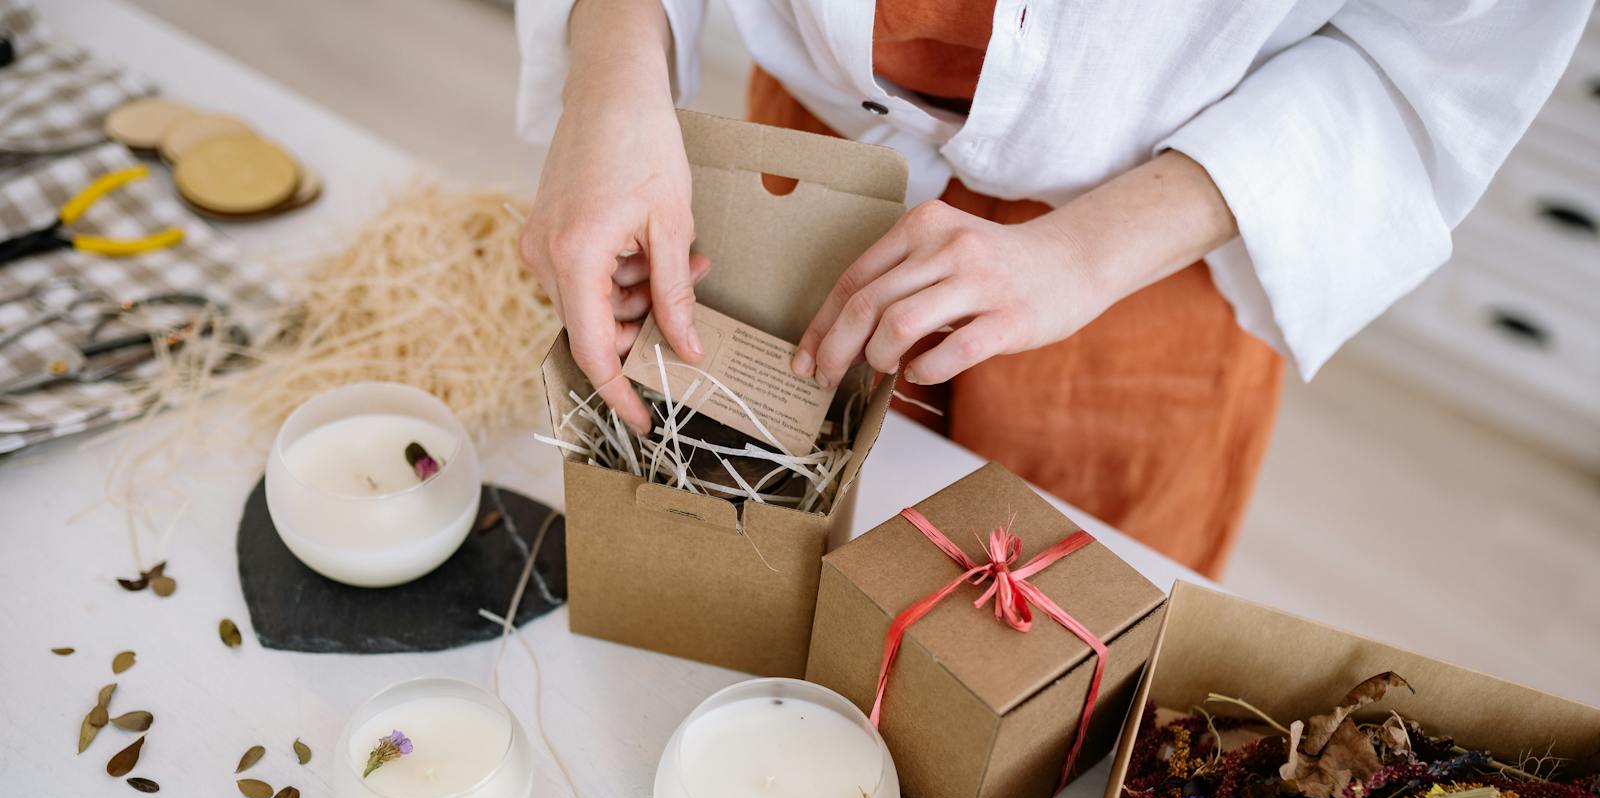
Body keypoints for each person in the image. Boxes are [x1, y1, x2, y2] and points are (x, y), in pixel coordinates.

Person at [513, 0, 1588, 577]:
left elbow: (1446, 42)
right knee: (733, 566)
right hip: (816, 156)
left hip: (1144, 252)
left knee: (1023, 646)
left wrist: (1084, 255)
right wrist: (610, 73)